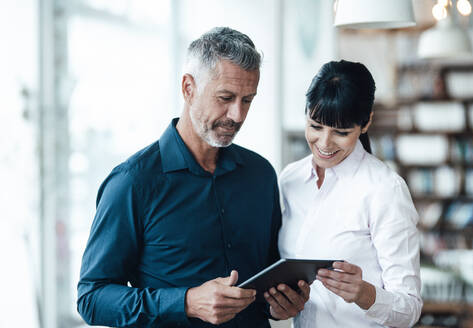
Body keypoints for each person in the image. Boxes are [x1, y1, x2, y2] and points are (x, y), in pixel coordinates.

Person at [77, 27, 309, 328]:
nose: (237, 115)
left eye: (248, 100)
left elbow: (268, 277)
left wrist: (279, 304)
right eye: (225, 97)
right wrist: (185, 302)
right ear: (188, 87)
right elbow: (91, 298)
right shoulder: (132, 183)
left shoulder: (261, 175)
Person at [278, 60, 422, 327]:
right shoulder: (290, 180)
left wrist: (365, 294)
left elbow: (410, 308)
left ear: (365, 123)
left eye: (341, 132)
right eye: (316, 126)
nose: (324, 143)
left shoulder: (385, 190)